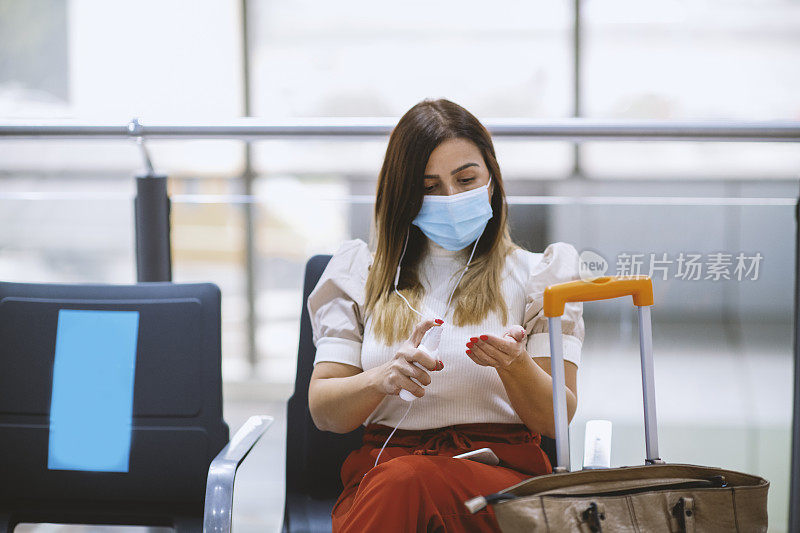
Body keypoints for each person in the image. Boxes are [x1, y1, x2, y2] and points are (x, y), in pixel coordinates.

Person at [306, 98, 585, 532]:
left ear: (491, 178)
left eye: (466, 179)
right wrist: (380, 379)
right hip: (383, 480)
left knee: (409, 481)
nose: (451, 197)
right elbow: (325, 412)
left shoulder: (539, 275)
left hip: (501, 486)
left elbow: (554, 419)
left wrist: (516, 366)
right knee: (402, 482)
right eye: (430, 186)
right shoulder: (360, 274)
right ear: (404, 193)